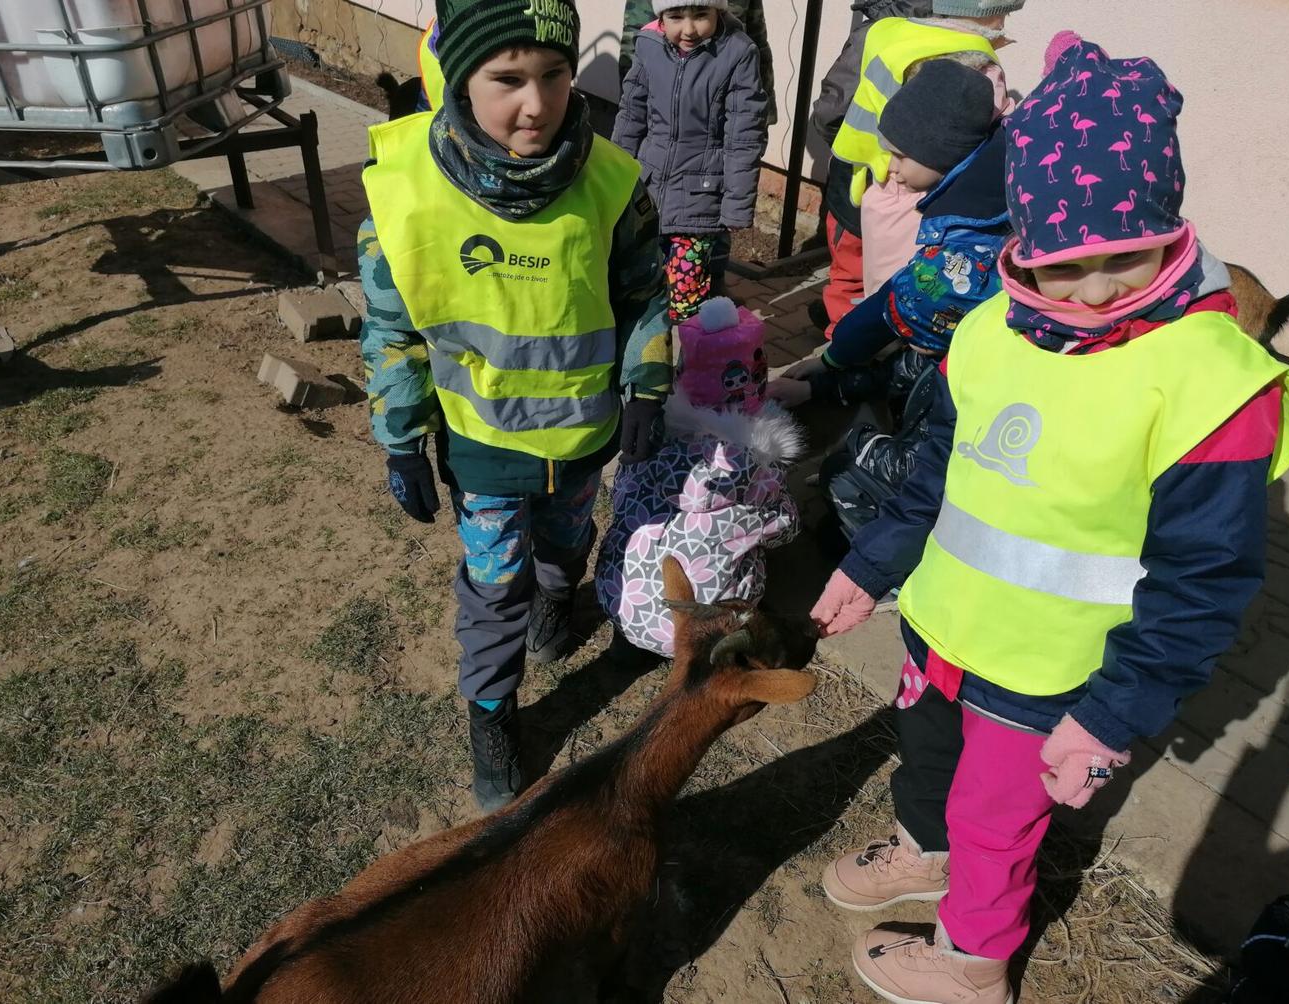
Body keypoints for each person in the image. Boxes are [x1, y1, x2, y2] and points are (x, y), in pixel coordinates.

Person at [810, 39, 1289, 1004]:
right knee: (929, 761)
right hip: (945, 625)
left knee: (1000, 820)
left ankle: (972, 961)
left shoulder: (1211, 384)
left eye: (1128, 255)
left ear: (1172, 223)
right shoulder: (992, 327)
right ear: (1022, 238)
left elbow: (1204, 580)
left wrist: (1112, 714)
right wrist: (874, 565)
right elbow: (935, 472)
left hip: (1050, 676)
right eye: (1064, 263)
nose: (1097, 291)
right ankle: (926, 848)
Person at [358, 0, 673, 814]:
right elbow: (391, 329)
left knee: (566, 545)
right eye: (507, 79)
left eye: (554, 76)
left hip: (580, 439)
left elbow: (643, 290)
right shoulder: (407, 194)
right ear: (460, 77)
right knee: (493, 585)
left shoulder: (609, 179)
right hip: (483, 446)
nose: (535, 104)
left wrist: (647, 381)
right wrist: (400, 437)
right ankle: (492, 712)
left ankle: (558, 604)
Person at [774, 59, 1010, 539]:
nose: (891, 169)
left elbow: (893, 311)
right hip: (947, 392)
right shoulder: (980, 202)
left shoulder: (959, 264)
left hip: (957, 432)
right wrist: (822, 377)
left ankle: (881, 546)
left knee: (854, 461)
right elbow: (902, 359)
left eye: (900, 156)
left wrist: (834, 358)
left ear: (941, 150)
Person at [596, 297, 802, 659]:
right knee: (757, 540)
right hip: (701, 631)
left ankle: (628, 645)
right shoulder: (754, 468)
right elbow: (786, 527)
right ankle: (727, 635)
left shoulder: (651, 446)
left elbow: (620, 497)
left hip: (622, 605)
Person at [832, 1, 1019, 304]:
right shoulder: (981, 67)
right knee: (910, 289)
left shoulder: (893, 36)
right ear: (989, 15)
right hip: (920, 193)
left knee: (870, 284)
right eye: (1005, 14)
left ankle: (860, 327)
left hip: (871, 176)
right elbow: (995, 130)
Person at [613, 3, 769, 322]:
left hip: (700, 197)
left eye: (700, 16)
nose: (688, 30)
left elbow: (744, 133)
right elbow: (631, 114)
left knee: (684, 300)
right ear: (660, 16)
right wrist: (612, 175)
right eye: (675, 17)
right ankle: (644, 362)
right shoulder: (648, 45)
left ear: (717, 12)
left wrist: (737, 204)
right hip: (648, 190)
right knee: (636, 287)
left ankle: (686, 364)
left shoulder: (737, 52)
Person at [809, 0, 934, 337]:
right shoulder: (949, 35)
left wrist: (841, 142)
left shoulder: (875, 34)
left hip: (859, 172)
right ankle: (884, 334)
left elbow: (831, 108)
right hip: (915, 177)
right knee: (897, 261)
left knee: (850, 258)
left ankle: (842, 345)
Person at [619, 0, 777, 125]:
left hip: (727, 120)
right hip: (663, 127)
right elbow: (637, 51)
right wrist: (634, 120)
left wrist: (763, 118)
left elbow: (757, 45)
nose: (689, 30)